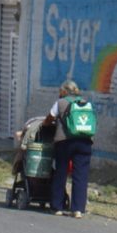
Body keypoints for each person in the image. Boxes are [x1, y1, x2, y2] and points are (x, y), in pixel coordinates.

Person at [42, 80, 95, 218]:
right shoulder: (85, 103)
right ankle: (78, 209)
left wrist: (46, 124)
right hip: (84, 142)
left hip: (64, 142)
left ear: (64, 91)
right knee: (81, 176)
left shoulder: (60, 103)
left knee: (61, 173)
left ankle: (57, 207)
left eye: (61, 91)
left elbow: (49, 119)